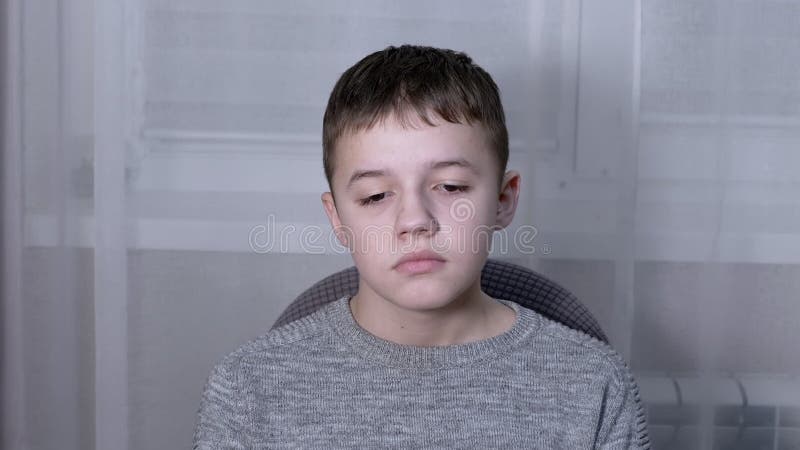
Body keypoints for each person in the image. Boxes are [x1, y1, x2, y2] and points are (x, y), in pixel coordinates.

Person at [193, 44, 650, 449]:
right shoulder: (249, 388)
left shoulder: (591, 387)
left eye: (450, 187)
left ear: (503, 199)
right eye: (375, 196)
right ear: (338, 220)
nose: (414, 221)